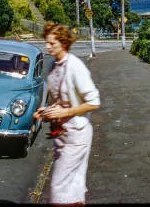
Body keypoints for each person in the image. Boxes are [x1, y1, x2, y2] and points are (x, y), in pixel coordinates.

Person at [34, 23, 100, 206]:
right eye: (47, 42)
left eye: (52, 43)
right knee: (73, 186)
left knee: (59, 188)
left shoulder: (75, 66)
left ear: (63, 43)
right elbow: (60, 100)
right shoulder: (53, 65)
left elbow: (94, 102)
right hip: (62, 133)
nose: (47, 47)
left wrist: (66, 111)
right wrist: (46, 111)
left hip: (77, 135)